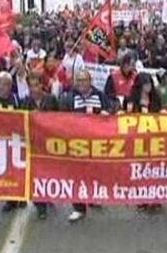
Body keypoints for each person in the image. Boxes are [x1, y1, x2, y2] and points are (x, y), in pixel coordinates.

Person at [60, 69, 110, 223]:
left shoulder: (100, 95)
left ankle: (93, 197)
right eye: (79, 80)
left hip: (96, 143)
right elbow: (61, 119)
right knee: (77, 176)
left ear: (90, 81)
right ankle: (78, 208)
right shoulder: (69, 98)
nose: (81, 83)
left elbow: (110, 112)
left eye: (84, 80)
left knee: (95, 173)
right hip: (77, 145)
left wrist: (106, 114)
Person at [124, 73, 163, 214]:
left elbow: (159, 114)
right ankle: (142, 198)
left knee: (153, 170)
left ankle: (155, 199)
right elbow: (127, 117)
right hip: (138, 139)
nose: (148, 87)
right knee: (140, 170)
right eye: (145, 84)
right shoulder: (131, 99)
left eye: (149, 84)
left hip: (153, 139)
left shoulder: (155, 99)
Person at [0, 71, 24, 213]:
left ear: (10, 85)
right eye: (0, 84)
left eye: (6, 84)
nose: (3, 87)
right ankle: (10, 199)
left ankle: (21, 196)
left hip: (14, 141)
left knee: (17, 171)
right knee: (6, 172)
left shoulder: (16, 100)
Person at [24, 74, 59, 219]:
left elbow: (60, 119)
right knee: (35, 174)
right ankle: (40, 206)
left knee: (48, 173)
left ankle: (48, 194)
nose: (34, 89)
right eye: (31, 86)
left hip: (48, 143)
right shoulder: (25, 102)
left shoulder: (51, 99)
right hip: (33, 144)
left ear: (41, 85)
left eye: (36, 85)